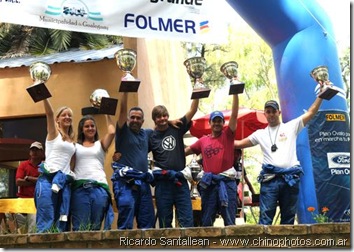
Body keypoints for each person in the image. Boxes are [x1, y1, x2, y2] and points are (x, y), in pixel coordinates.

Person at [234, 94, 324, 225]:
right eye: (268, 112)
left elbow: (311, 112)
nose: (271, 114)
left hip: (290, 179)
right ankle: (264, 245)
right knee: (265, 217)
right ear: (265, 113)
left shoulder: (291, 127)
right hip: (270, 180)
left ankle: (285, 245)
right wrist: (216, 139)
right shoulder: (260, 134)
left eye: (273, 111)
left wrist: (320, 96)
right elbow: (239, 144)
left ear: (279, 112)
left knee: (288, 217)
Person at [185, 94, 239, 227]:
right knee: (206, 220)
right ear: (209, 123)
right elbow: (185, 152)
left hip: (227, 183)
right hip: (209, 183)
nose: (216, 123)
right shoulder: (203, 140)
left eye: (219, 121)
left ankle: (232, 246)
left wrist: (235, 93)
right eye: (214, 121)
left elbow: (234, 114)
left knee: (230, 220)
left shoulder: (228, 135)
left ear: (223, 123)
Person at [149, 99, 199, 228]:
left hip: (180, 181)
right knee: (165, 222)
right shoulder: (152, 137)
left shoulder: (176, 128)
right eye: (159, 117)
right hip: (163, 183)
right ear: (154, 119)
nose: (162, 119)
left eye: (164, 115)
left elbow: (192, 110)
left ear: (168, 116)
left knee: (187, 220)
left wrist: (197, 93)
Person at [111, 92, 155, 229]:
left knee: (147, 221)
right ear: (128, 120)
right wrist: (125, 90)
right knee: (126, 217)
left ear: (142, 121)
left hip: (143, 183)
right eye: (132, 118)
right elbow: (122, 111)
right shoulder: (123, 132)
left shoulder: (147, 134)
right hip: (125, 183)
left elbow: (162, 127)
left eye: (138, 118)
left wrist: (170, 121)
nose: (135, 120)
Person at [34, 98, 76, 233]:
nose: (67, 117)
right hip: (47, 180)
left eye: (69, 115)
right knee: (46, 219)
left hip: (62, 183)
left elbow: (72, 164)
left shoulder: (72, 141)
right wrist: (43, 95)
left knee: (59, 222)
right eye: (64, 114)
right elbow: (49, 113)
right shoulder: (54, 134)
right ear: (57, 119)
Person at [70, 114, 115, 231]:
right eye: (87, 126)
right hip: (80, 188)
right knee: (80, 227)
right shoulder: (75, 146)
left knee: (95, 227)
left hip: (99, 188)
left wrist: (106, 112)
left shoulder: (101, 144)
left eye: (92, 126)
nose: (90, 128)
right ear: (82, 130)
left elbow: (112, 132)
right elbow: (71, 167)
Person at [15, 141, 44, 233]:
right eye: (32, 150)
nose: (34, 152)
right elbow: (18, 182)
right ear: (29, 152)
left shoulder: (45, 166)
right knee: (19, 229)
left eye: (37, 150)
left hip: (37, 201)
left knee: (33, 226)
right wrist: (36, 181)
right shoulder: (23, 164)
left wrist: (29, 178)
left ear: (42, 152)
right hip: (22, 199)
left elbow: (46, 182)